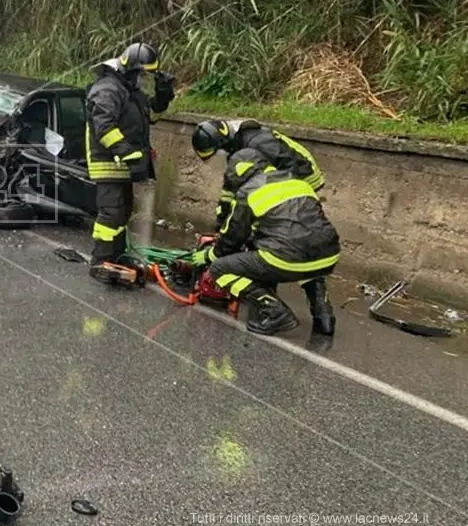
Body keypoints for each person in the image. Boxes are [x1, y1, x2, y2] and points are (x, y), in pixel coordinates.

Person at [190, 148, 339, 336]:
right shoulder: (296, 181)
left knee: (220, 269)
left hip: (287, 257)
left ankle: (274, 310)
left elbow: (232, 239)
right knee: (306, 259)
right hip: (328, 256)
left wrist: (208, 255)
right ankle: (324, 317)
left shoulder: (248, 192)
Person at [84, 42, 175, 277]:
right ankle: (100, 260)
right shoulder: (107, 89)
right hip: (108, 161)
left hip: (124, 163)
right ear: (130, 69)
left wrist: (163, 93)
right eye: (141, 74)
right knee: (111, 212)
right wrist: (126, 151)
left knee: (123, 211)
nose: (142, 79)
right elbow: (103, 126)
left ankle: (116, 255)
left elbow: (151, 114)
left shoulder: (129, 91)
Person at [191, 118, 324, 229]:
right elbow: (231, 189)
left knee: (268, 220)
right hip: (282, 174)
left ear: (222, 145)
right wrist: (222, 222)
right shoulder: (236, 146)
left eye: (216, 154)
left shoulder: (259, 143)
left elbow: (292, 166)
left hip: (304, 176)